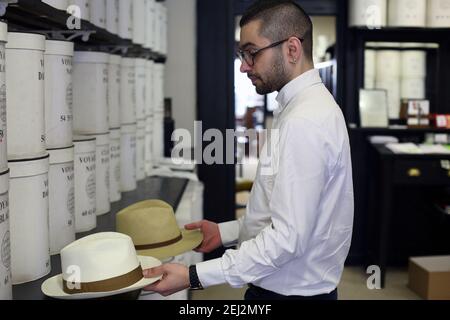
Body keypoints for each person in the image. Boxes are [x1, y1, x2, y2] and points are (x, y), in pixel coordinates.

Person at [142, 0, 354, 300]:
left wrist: (193, 275)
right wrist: (225, 232)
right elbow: (278, 213)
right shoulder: (298, 109)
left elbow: (286, 240)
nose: (243, 66)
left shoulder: (305, 121)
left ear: (292, 49)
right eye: (242, 54)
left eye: (252, 53)